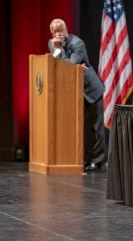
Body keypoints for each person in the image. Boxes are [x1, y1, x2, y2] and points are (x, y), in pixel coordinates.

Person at [48, 18, 107, 172]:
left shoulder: (77, 43)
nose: (58, 34)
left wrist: (61, 56)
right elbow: (59, 67)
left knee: (95, 127)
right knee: (81, 127)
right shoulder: (51, 44)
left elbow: (70, 67)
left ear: (66, 28)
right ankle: (84, 158)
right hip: (73, 92)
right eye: (54, 31)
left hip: (91, 89)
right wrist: (63, 57)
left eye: (60, 29)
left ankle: (98, 160)